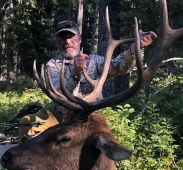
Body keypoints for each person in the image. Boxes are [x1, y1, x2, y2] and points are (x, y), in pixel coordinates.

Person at [18, 20, 157, 137]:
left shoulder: (94, 61)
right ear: (57, 42)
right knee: (27, 123)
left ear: (79, 39)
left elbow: (119, 67)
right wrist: (75, 73)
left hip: (93, 116)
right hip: (63, 119)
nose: (67, 41)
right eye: (62, 38)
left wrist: (134, 48)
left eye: (71, 37)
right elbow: (58, 94)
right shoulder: (52, 66)